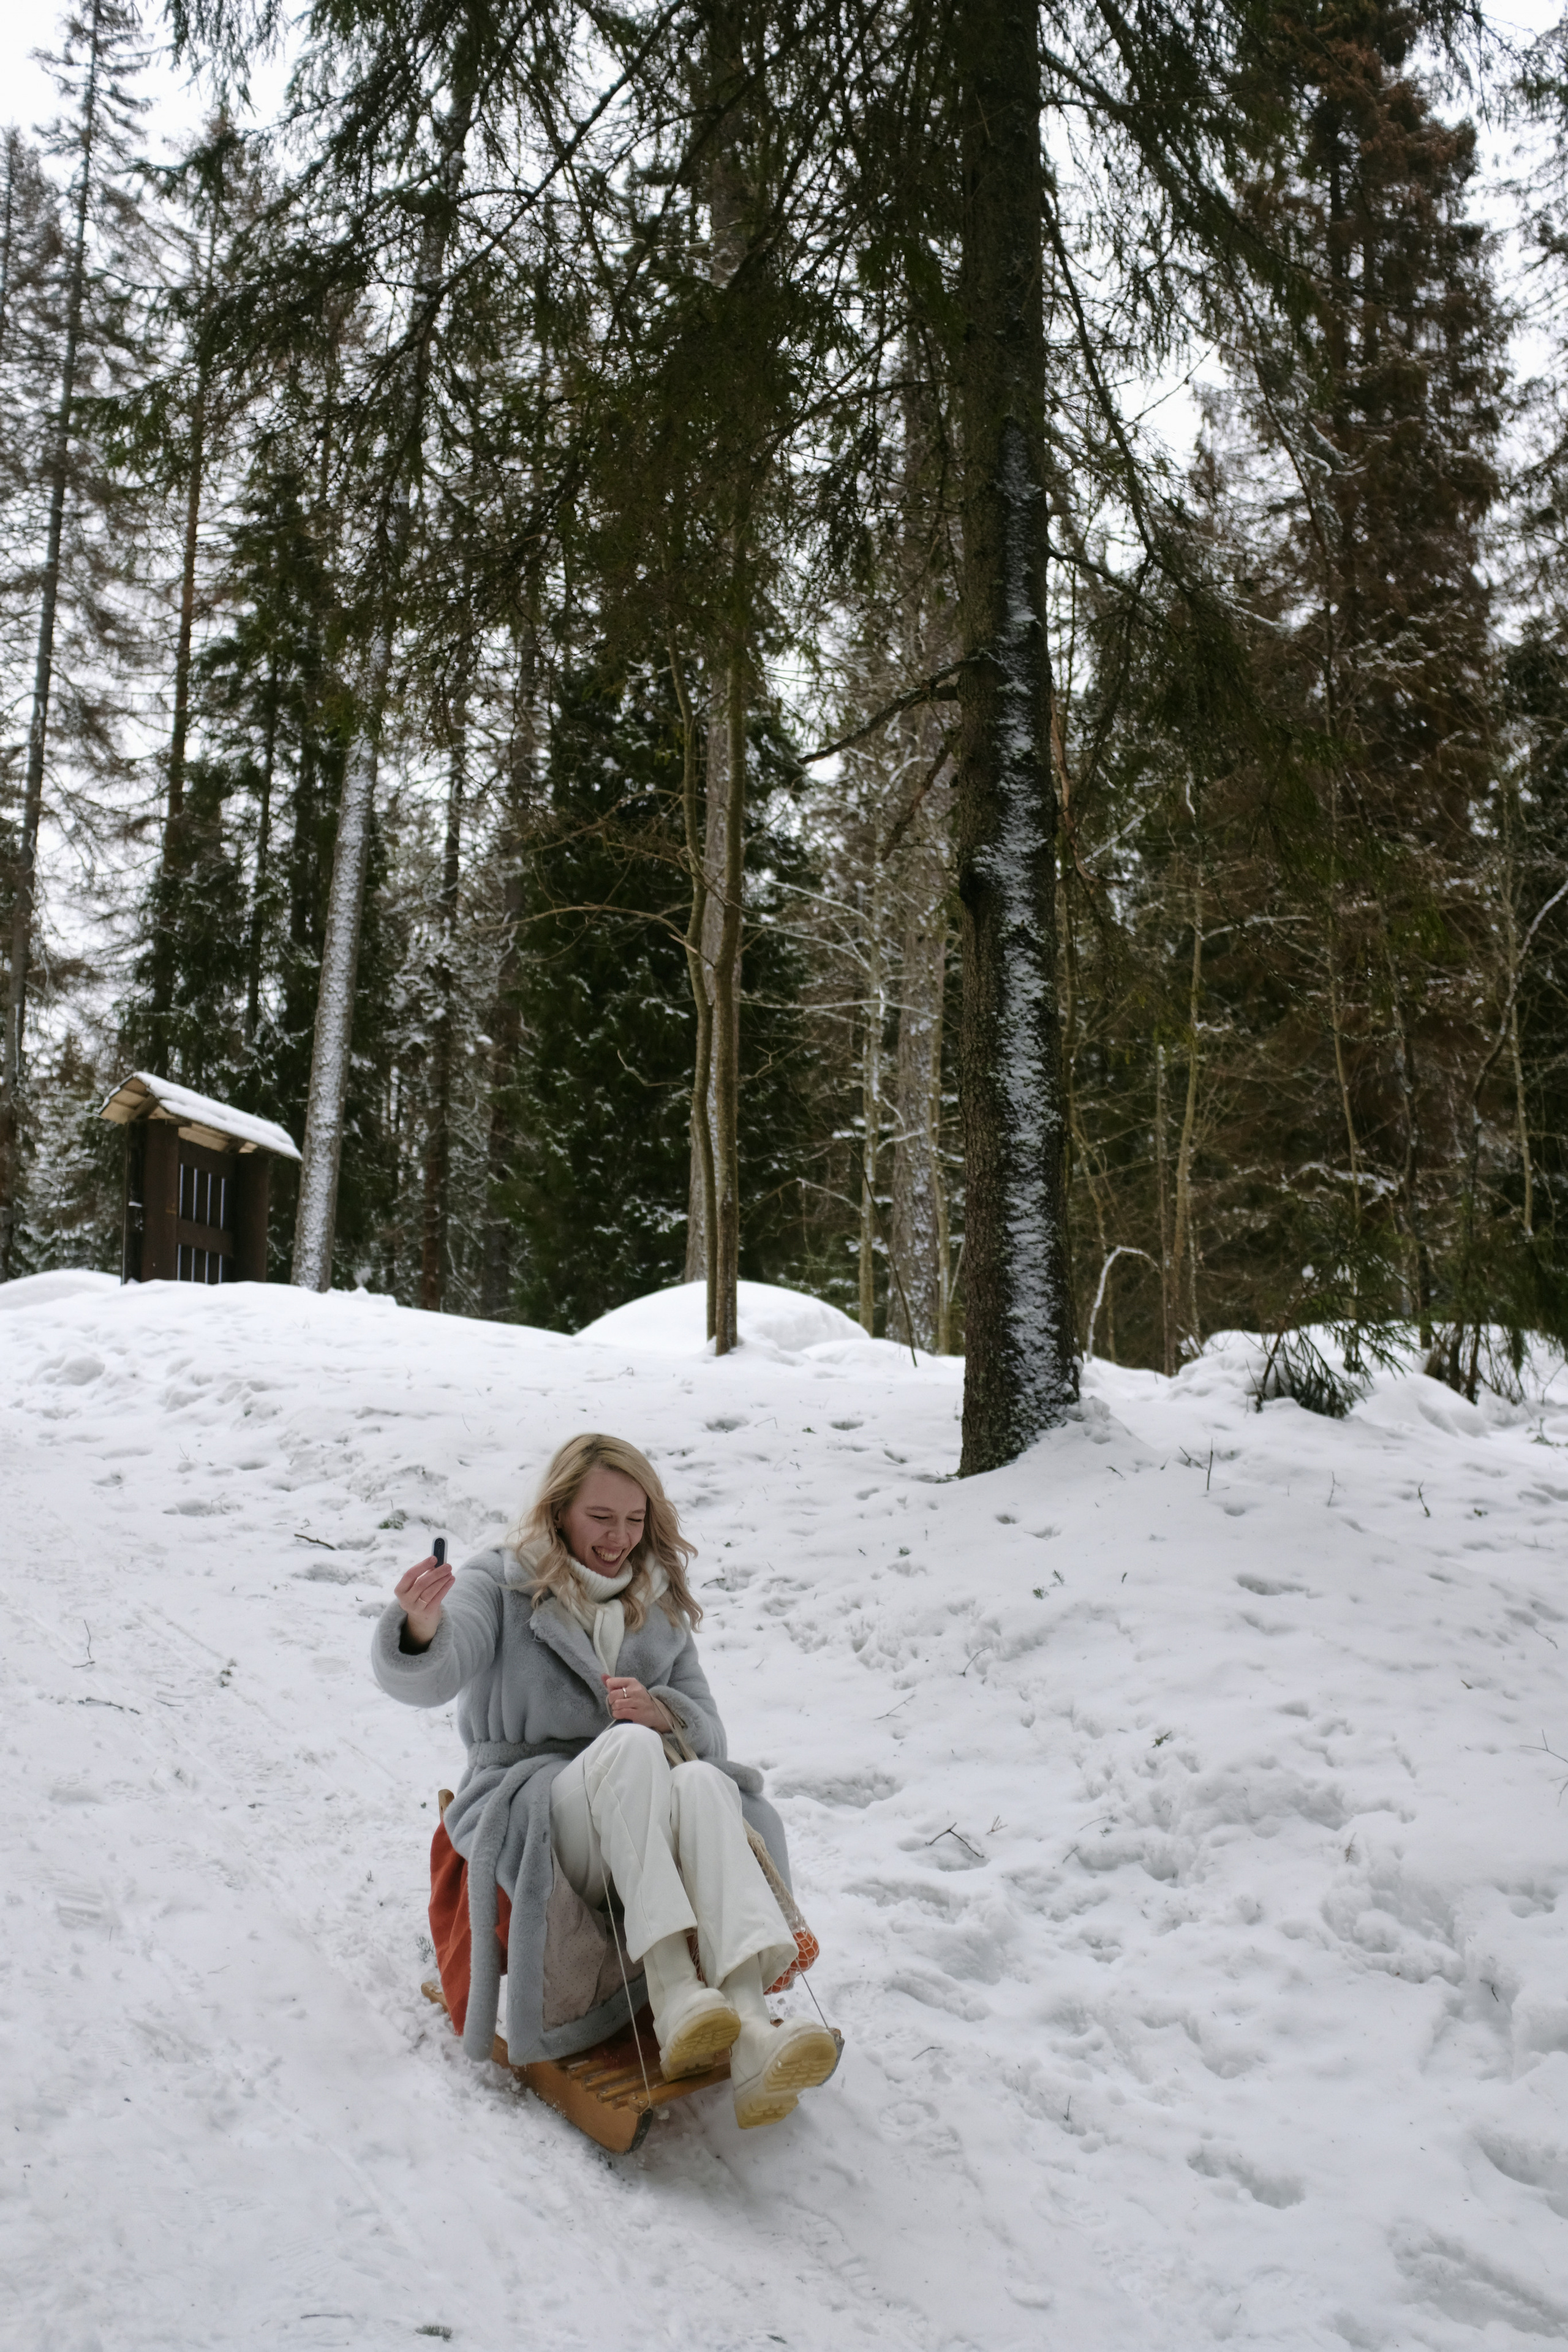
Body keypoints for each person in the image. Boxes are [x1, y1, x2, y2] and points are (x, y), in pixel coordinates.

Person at [372, 1431, 839, 2130]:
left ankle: (750, 2030)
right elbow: (434, 1673)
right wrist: (420, 1625)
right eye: (600, 1518)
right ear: (559, 1510)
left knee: (703, 1784)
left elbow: (708, 1731)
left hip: (641, 1818)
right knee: (631, 1750)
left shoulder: (659, 1603)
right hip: (543, 1815)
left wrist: (665, 1713)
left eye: (634, 1519)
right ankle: (676, 1994)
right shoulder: (502, 1581)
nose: (620, 1538)